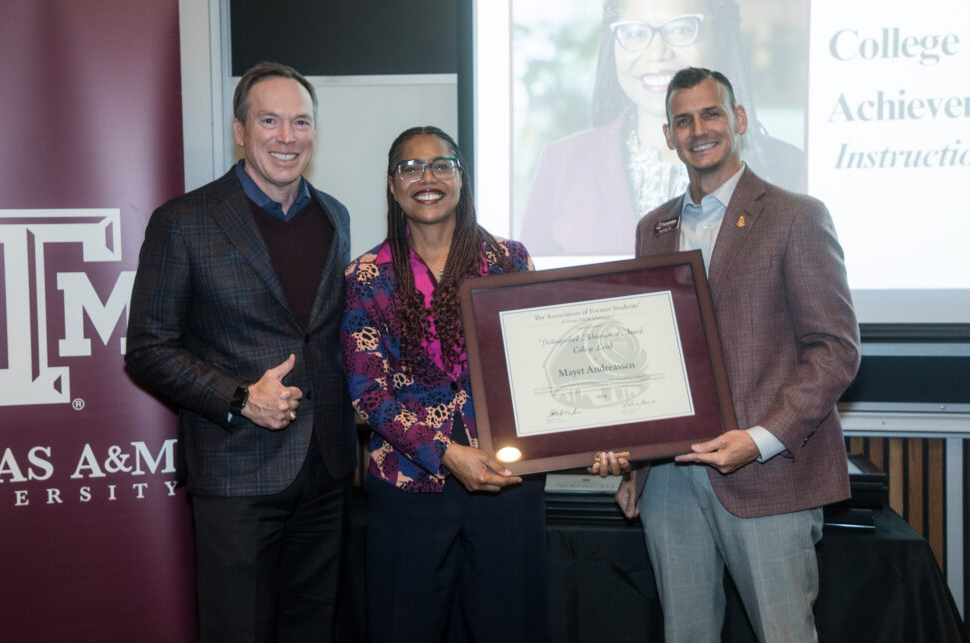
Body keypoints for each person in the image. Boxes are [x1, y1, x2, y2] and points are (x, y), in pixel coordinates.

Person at [593, 67, 859, 642]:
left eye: (711, 113)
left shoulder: (796, 216)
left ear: (737, 120)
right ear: (668, 136)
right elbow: (643, 356)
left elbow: (835, 349)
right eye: (683, 120)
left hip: (771, 473)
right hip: (670, 481)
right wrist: (637, 461)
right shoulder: (653, 228)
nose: (699, 129)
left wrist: (760, 439)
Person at [125, 61, 356, 642]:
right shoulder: (183, 221)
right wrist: (239, 398)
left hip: (327, 470)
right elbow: (148, 347)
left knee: (316, 630)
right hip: (236, 472)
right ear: (239, 129)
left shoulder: (335, 215)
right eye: (270, 120)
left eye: (300, 121)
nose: (287, 137)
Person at [341, 126, 549, 643]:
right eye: (410, 168)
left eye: (441, 165)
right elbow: (368, 393)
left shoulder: (509, 260)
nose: (426, 178)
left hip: (507, 484)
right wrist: (445, 452)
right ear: (393, 187)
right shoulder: (366, 277)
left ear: (462, 177)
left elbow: (539, 364)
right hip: (409, 493)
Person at [521, 0, 804, 257]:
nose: (657, 53)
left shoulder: (788, 166)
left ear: (719, 36)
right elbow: (528, 301)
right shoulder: (561, 163)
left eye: (681, 30)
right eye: (634, 33)